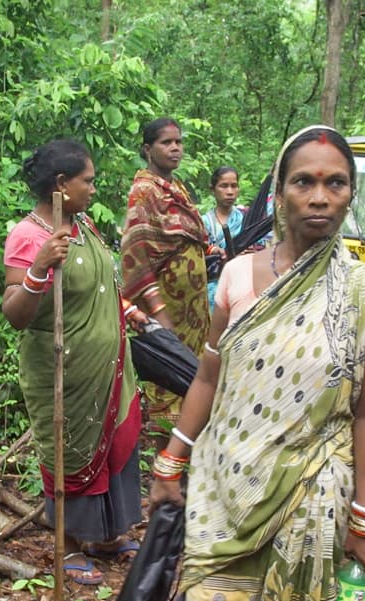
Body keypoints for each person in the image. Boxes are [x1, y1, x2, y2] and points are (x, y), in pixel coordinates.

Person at [149, 125, 365, 601]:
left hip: (310, 498)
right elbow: (209, 379)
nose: (320, 197)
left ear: (351, 193)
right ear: (279, 191)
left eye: (336, 183)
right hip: (226, 487)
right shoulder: (237, 276)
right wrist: (172, 460)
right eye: (304, 181)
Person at [1, 139, 143, 586]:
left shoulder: (84, 226)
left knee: (117, 446)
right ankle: (68, 543)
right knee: (72, 453)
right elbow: (15, 314)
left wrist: (126, 310)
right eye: (88, 181)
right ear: (61, 184)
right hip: (66, 373)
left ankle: (106, 535)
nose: (94, 189)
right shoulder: (29, 236)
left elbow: (99, 286)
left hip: (110, 368)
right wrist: (39, 268)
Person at [121, 118, 210, 447]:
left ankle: (188, 464)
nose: (175, 148)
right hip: (168, 311)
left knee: (193, 378)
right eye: (166, 143)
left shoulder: (177, 188)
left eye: (178, 142)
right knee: (170, 378)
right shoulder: (144, 192)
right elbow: (136, 253)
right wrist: (158, 311)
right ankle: (167, 468)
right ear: (147, 149)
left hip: (194, 313)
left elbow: (186, 237)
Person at [202, 165, 244, 310]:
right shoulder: (205, 222)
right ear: (212, 189)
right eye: (224, 186)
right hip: (213, 288)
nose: (230, 192)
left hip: (242, 284)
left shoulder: (245, 219)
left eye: (234, 186)